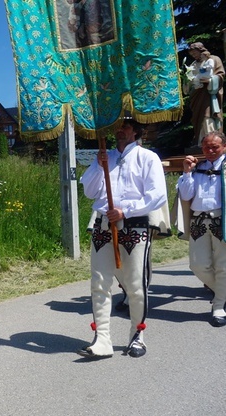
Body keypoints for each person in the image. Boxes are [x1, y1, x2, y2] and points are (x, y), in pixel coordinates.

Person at [78, 119, 169, 359]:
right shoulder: (104, 156)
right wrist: (98, 167)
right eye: (118, 126)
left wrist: (125, 211)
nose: (121, 129)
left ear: (137, 131)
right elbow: (89, 191)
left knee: (136, 285)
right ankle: (103, 339)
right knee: (99, 283)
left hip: (134, 225)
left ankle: (137, 335)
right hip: (103, 225)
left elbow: (157, 195)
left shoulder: (147, 158)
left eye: (126, 126)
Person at [177, 131, 226, 327]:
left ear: (224, 147)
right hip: (198, 221)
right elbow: (186, 195)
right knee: (197, 265)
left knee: (223, 267)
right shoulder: (197, 169)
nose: (210, 151)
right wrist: (187, 172)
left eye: (215, 147)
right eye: (206, 147)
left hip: (222, 220)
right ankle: (223, 294)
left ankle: (219, 305)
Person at [183, 42, 224, 145]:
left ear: (201, 50)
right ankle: (200, 141)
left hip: (209, 94)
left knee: (208, 115)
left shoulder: (214, 59)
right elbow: (189, 79)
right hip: (197, 94)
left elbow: (220, 75)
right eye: (192, 55)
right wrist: (187, 82)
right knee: (199, 118)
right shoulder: (193, 65)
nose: (194, 56)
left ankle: (212, 141)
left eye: (195, 53)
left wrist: (210, 81)